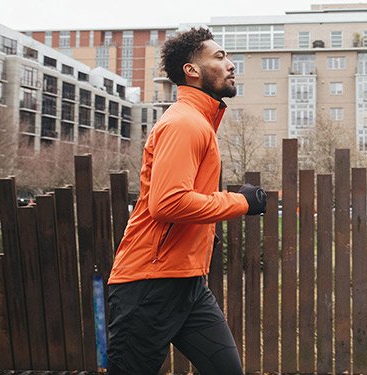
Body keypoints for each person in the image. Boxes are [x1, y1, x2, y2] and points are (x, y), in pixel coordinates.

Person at [105, 28, 265, 374]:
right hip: (148, 284)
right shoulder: (185, 124)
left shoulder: (200, 123)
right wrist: (240, 202)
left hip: (187, 282)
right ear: (192, 70)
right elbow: (169, 203)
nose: (231, 65)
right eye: (220, 57)